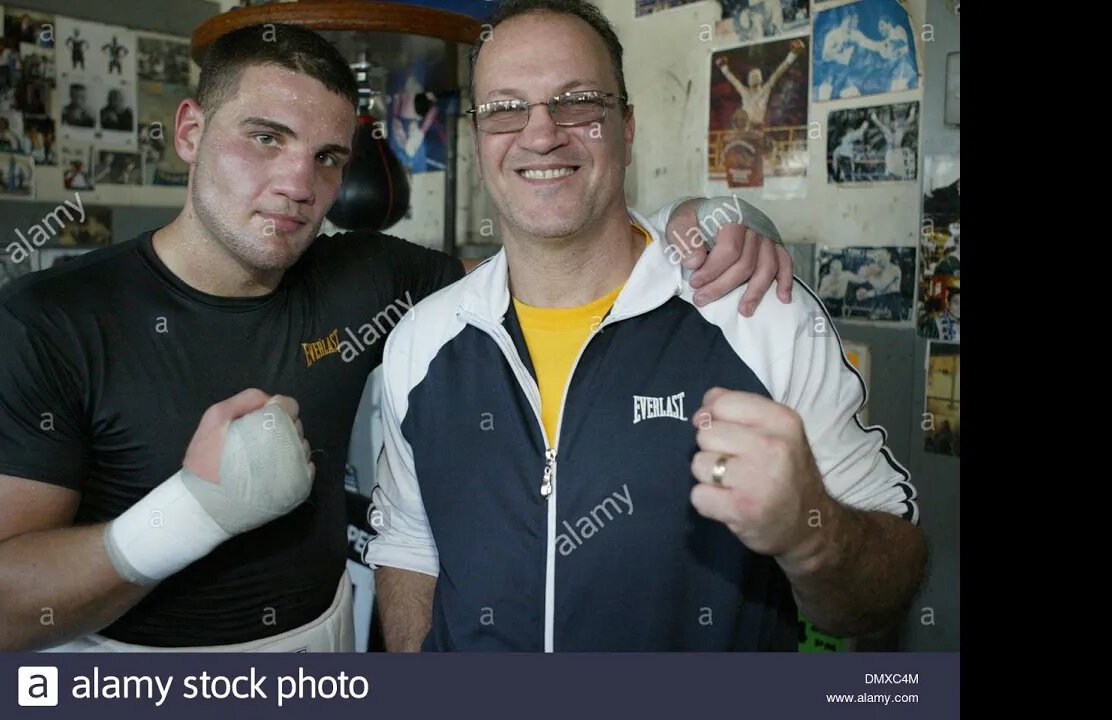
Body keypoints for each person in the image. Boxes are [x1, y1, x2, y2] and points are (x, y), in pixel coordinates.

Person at [0, 21, 789, 653]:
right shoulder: (48, 322)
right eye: (265, 137)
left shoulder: (367, 278)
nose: (301, 185)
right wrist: (192, 512)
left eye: (328, 157)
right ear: (190, 130)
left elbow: (552, 259)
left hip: (326, 650)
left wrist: (702, 223)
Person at [365, 0, 925, 652]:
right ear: (479, 136)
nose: (540, 134)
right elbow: (408, 539)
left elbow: (892, 580)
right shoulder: (423, 341)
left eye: (576, 101)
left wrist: (810, 533)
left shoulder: (753, 314)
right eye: (506, 108)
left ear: (626, 127)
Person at [715, 38, 802, 128]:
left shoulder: (765, 89)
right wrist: (723, 67)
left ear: (760, 79)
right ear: (748, 80)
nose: (753, 78)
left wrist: (793, 54)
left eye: (755, 76)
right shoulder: (745, 92)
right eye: (752, 76)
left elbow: (779, 71)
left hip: (758, 126)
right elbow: (733, 80)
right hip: (746, 127)